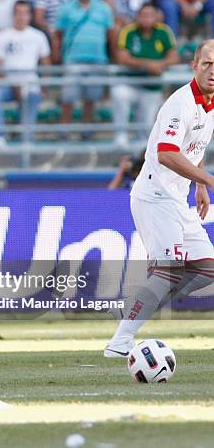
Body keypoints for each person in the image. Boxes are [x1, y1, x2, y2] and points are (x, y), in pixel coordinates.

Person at [104, 39, 214, 358]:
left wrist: (200, 186)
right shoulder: (180, 103)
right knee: (167, 271)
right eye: (206, 63)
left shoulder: (209, 104)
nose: (212, 70)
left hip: (177, 198)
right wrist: (206, 178)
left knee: (207, 268)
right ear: (193, 66)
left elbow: (196, 145)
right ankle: (120, 344)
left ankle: (135, 309)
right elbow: (167, 154)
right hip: (155, 195)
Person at [111, 3, 179, 147]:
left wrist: (160, 65)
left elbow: (174, 57)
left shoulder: (164, 31)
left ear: (156, 17)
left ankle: (141, 153)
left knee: (147, 127)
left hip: (151, 86)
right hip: (129, 82)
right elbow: (122, 58)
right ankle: (121, 137)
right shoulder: (129, 31)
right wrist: (148, 64)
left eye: (150, 15)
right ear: (137, 16)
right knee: (119, 93)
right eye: (143, 15)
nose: (146, 19)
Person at [54, 0, 115, 127]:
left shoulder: (104, 8)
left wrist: (112, 56)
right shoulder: (66, 8)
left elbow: (111, 35)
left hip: (97, 59)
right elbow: (58, 34)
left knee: (91, 100)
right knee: (68, 99)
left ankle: (87, 131)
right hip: (73, 59)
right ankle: (64, 132)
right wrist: (56, 54)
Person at [0, 0, 51, 144]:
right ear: (13, 15)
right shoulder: (2, 35)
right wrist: (13, 82)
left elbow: (46, 63)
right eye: (18, 13)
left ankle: (27, 139)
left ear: (30, 16)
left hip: (30, 84)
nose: (21, 17)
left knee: (34, 94)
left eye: (25, 13)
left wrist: (44, 86)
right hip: (8, 83)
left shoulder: (38, 36)